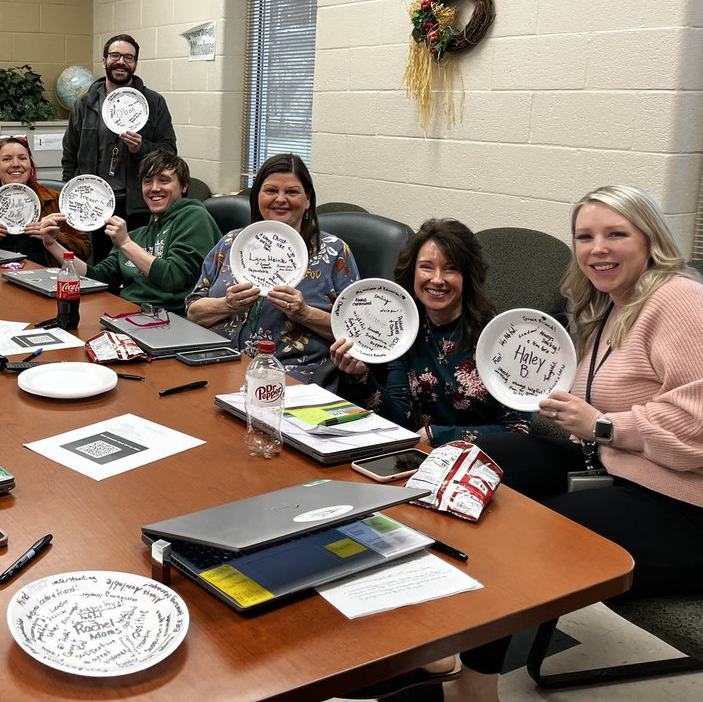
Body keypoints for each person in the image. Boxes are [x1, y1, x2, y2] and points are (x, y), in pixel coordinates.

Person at [399, 187, 703, 702]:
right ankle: (444, 628)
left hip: (682, 504)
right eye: (585, 236)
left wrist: (605, 426)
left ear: (650, 239)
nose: (597, 249)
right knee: (467, 463)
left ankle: (476, 685)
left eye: (616, 234)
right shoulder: (607, 305)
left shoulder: (677, 300)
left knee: (517, 535)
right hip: (615, 464)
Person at [330, 219, 528, 444]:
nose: (437, 279)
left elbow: (517, 430)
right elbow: (400, 420)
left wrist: (439, 435)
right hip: (422, 458)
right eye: (426, 266)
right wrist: (361, 376)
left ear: (468, 276)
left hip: (486, 461)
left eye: (451, 268)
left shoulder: (501, 338)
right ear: (413, 271)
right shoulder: (405, 330)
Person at [186, 154, 359, 383]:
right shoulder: (231, 244)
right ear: (257, 197)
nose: (280, 199)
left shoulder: (334, 252)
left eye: (292, 192)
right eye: (270, 191)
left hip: (287, 375)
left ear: (307, 200)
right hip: (217, 362)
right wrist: (226, 305)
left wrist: (305, 314)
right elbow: (192, 312)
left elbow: (356, 333)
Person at [44, 150, 219, 315]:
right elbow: (97, 277)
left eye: (164, 180)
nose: (154, 188)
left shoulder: (194, 217)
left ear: (184, 186)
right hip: (129, 314)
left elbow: (173, 278)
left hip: (171, 320)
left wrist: (126, 244)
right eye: (147, 181)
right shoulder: (139, 235)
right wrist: (52, 244)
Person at [61, 34, 176, 257]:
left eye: (128, 57)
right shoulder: (84, 104)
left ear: (135, 64)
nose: (121, 61)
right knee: (100, 269)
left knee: (135, 268)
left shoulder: (153, 103)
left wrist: (141, 148)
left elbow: (170, 153)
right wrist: (71, 198)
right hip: (95, 203)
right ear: (104, 61)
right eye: (115, 55)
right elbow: (70, 156)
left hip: (137, 206)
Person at [0, 135, 90, 265]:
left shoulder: (55, 200)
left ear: (30, 167)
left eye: (22, 158)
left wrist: (56, 237)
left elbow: (85, 251)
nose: (16, 164)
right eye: (7, 159)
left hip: (43, 277)